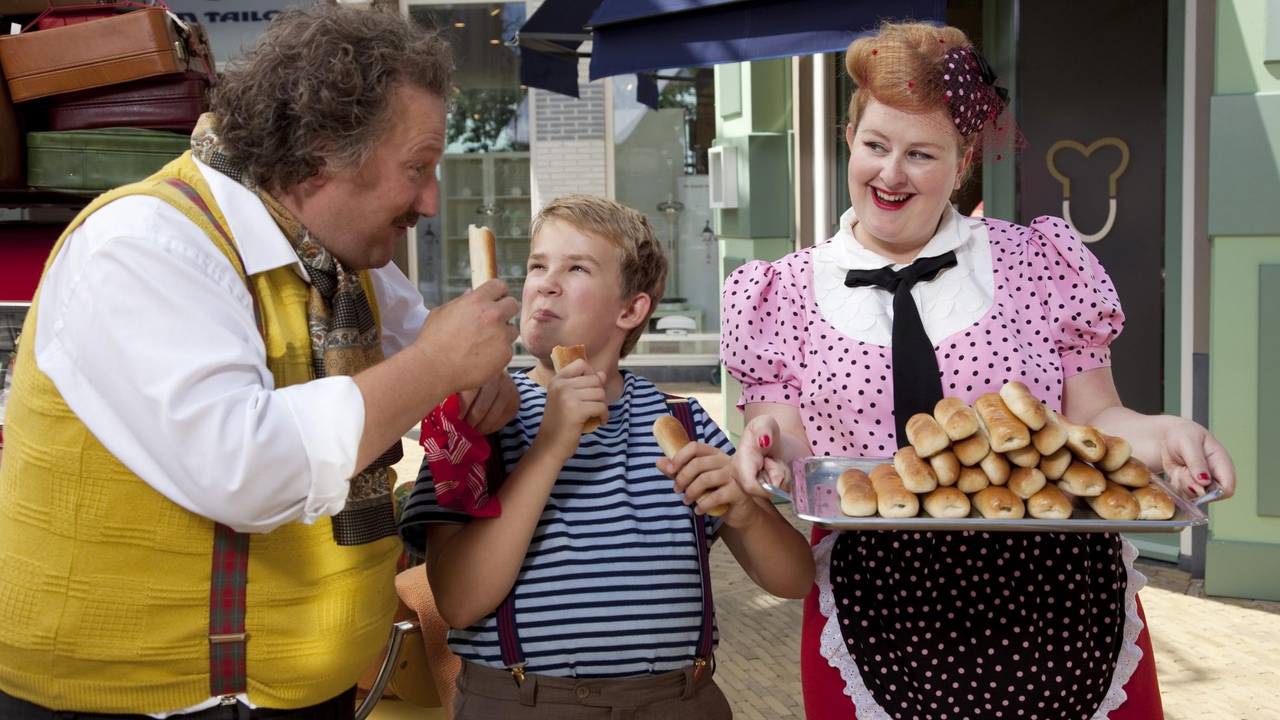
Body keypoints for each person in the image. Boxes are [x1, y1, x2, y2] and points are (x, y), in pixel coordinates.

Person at [0, 6, 519, 719]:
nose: (430, 201)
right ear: (321, 153)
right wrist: (438, 367)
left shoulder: (335, 258)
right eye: (418, 168)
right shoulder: (144, 243)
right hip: (138, 705)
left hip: (296, 695)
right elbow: (245, 469)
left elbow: (427, 350)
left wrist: (477, 378)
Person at [721, 21, 1237, 720]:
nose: (891, 173)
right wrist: (767, 450)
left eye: (921, 153)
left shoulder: (1037, 263)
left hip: (1057, 601)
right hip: (878, 602)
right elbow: (784, 430)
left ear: (963, 163)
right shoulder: (780, 293)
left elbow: (1095, 421)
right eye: (875, 145)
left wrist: (1165, 432)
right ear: (850, 138)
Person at [398, 194, 815, 719]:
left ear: (631, 309)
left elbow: (795, 580)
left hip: (678, 702)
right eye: (537, 265)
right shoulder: (473, 419)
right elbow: (457, 601)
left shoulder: (683, 425)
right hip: (520, 702)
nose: (546, 282)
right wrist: (550, 446)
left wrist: (743, 510)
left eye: (576, 267)